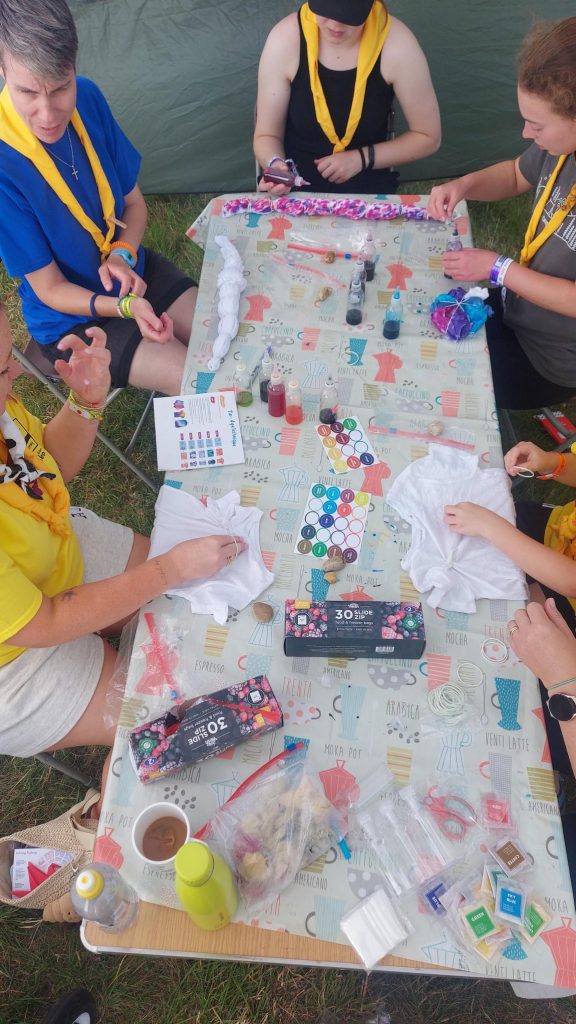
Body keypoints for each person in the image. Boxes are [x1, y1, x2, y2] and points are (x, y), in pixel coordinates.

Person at [0, 304, 248, 797]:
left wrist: (86, 403)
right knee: (169, 716)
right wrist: (167, 569)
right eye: (1, 371)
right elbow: (44, 622)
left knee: (192, 612)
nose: (12, 380)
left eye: (7, 359)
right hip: (15, 661)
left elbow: (46, 467)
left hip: (46, 549)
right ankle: (101, 823)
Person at [0, 0, 196, 397]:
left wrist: (122, 253)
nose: (48, 113)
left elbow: (134, 205)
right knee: (201, 379)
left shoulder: (87, 97)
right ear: (2, 70)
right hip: (71, 319)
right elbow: (51, 289)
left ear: (74, 67)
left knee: (230, 335)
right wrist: (125, 308)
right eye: (27, 92)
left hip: (132, 274)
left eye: (60, 88)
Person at [427, 17, 576, 411]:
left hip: (548, 360)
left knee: (436, 383)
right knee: (421, 315)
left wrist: (499, 268)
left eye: (536, 124)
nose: (527, 134)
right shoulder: (559, 146)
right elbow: (514, 175)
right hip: (515, 310)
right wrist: (465, 185)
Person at [254, 0, 440, 195]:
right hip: (293, 185)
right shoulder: (285, 39)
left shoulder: (397, 44)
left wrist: (361, 158)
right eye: (325, 10)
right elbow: (266, 135)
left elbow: (428, 137)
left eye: (349, 15)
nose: (335, 25)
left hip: (365, 183)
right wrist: (276, 165)